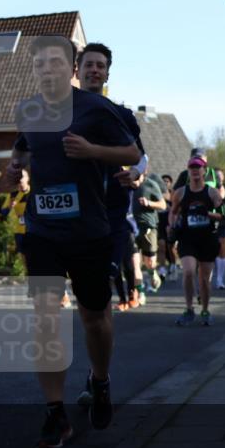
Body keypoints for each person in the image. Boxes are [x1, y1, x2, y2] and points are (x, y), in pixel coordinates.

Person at [0, 35, 139, 448]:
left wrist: (91, 149)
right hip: (43, 230)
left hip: (89, 229)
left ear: (71, 67)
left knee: (94, 317)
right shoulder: (30, 110)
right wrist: (15, 173)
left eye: (56, 64)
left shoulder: (96, 109)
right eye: (40, 64)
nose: (48, 70)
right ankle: (55, 412)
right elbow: (22, 152)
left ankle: (100, 380)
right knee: (45, 316)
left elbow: (132, 153)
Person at [75, 43, 149, 312]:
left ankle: (102, 347)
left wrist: (137, 174)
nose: (94, 70)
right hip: (75, 214)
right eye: (89, 65)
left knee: (101, 283)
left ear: (107, 75)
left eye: (100, 66)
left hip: (112, 214)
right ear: (77, 70)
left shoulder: (121, 114)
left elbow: (142, 157)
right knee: (87, 294)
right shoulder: (58, 114)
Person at [168, 156, 222, 326]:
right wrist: (172, 225)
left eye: (198, 167)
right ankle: (189, 309)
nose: (195, 170)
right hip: (187, 238)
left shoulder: (212, 193)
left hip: (207, 239)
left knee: (204, 278)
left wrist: (208, 213)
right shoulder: (180, 193)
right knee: (189, 271)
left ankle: (205, 310)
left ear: (204, 171)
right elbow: (173, 211)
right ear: (188, 171)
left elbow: (222, 215)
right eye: (192, 167)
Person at [132, 173, 167, 292]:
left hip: (148, 227)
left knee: (150, 262)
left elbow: (163, 205)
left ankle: (152, 272)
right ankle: (140, 293)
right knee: (135, 263)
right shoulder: (124, 185)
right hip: (130, 228)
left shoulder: (150, 185)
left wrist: (149, 203)